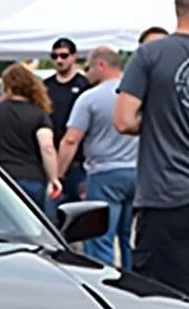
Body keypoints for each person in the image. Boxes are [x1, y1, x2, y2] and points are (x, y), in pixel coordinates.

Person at [114, 0, 189, 300]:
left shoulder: (150, 55)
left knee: (169, 303)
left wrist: (156, 121)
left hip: (167, 197)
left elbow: (123, 120)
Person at [57, 47, 137, 268]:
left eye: (89, 67)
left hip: (104, 173)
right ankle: (132, 283)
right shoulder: (138, 95)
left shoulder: (90, 98)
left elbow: (71, 139)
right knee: (129, 238)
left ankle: (106, 284)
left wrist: (58, 174)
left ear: (101, 65)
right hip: (138, 172)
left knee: (100, 238)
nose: (87, 73)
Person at [0, 63, 61, 214]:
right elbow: (47, 148)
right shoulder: (39, 114)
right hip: (32, 179)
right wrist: (54, 178)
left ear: (7, 86)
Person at [43, 37, 90, 204]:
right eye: (54, 56)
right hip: (50, 157)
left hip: (78, 160)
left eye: (63, 55)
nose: (59, 60)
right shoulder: (45, 87)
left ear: (74, 57)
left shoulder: (85, 85)